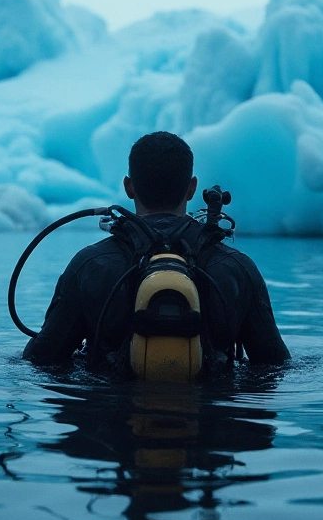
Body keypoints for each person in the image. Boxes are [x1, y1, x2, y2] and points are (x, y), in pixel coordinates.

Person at [22, 131, 290, 372]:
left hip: (109, 421)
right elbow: (274, 366)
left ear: (129, 187)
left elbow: (42, 359)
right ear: (192, 188)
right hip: (209, 422)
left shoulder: (90, 265)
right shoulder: (237, 268)